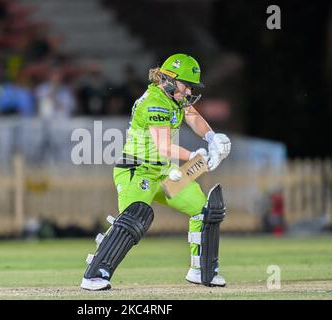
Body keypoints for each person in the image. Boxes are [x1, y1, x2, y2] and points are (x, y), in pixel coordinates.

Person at [80, 53, 231, 291]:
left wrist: (213, 138)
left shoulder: (175, 97)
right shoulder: (154, 102)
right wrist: (194, 156)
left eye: (191, 87)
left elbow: (192, 117)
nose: (189, 92)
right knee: (133, 219)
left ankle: (201, 270)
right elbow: (164, 147)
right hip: (136, 171)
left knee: (204, 210)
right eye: (186, 86)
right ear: (169, 79)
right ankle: (95, 274)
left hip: (162, 173)